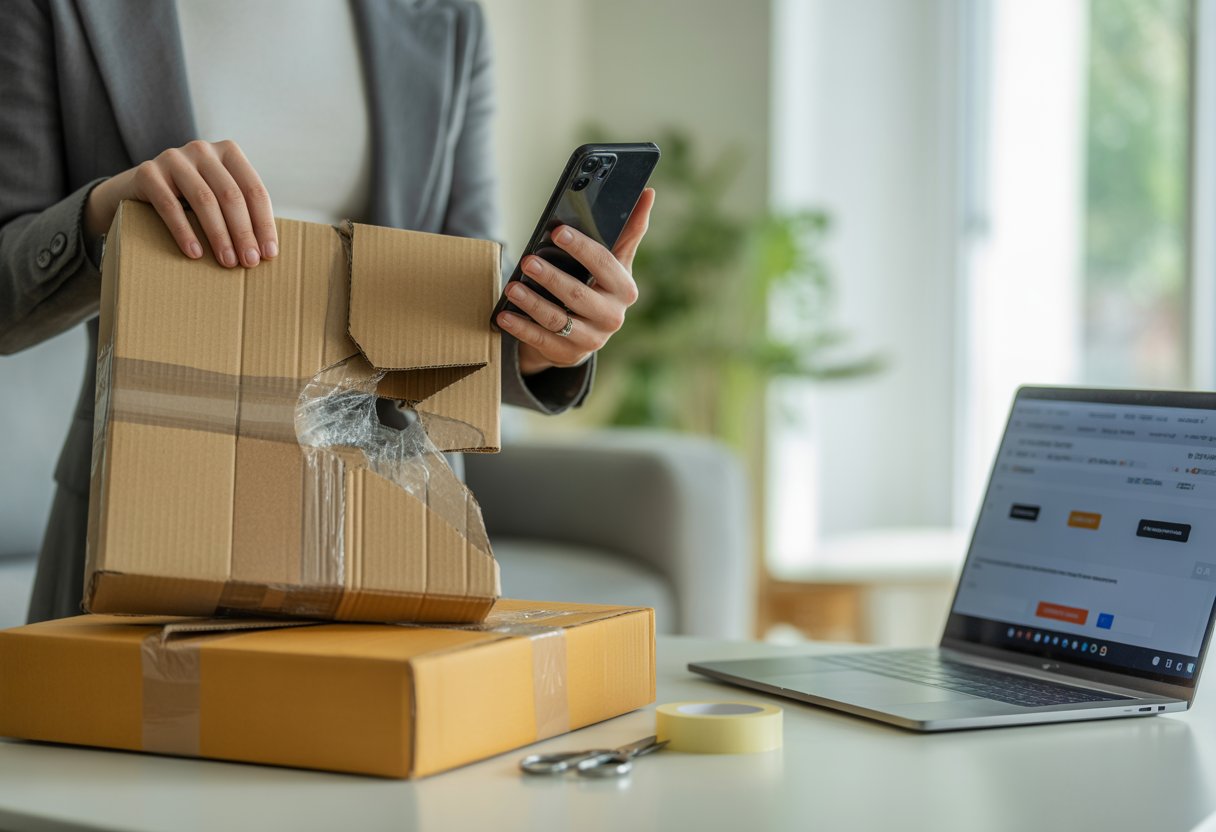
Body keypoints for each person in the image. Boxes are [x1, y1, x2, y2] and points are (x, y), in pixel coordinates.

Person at [0, 0, 655, 624]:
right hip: (144, 498)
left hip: (388, 513)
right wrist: (103, 217)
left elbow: (465, 294)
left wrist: (542, 343)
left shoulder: (444, 20)